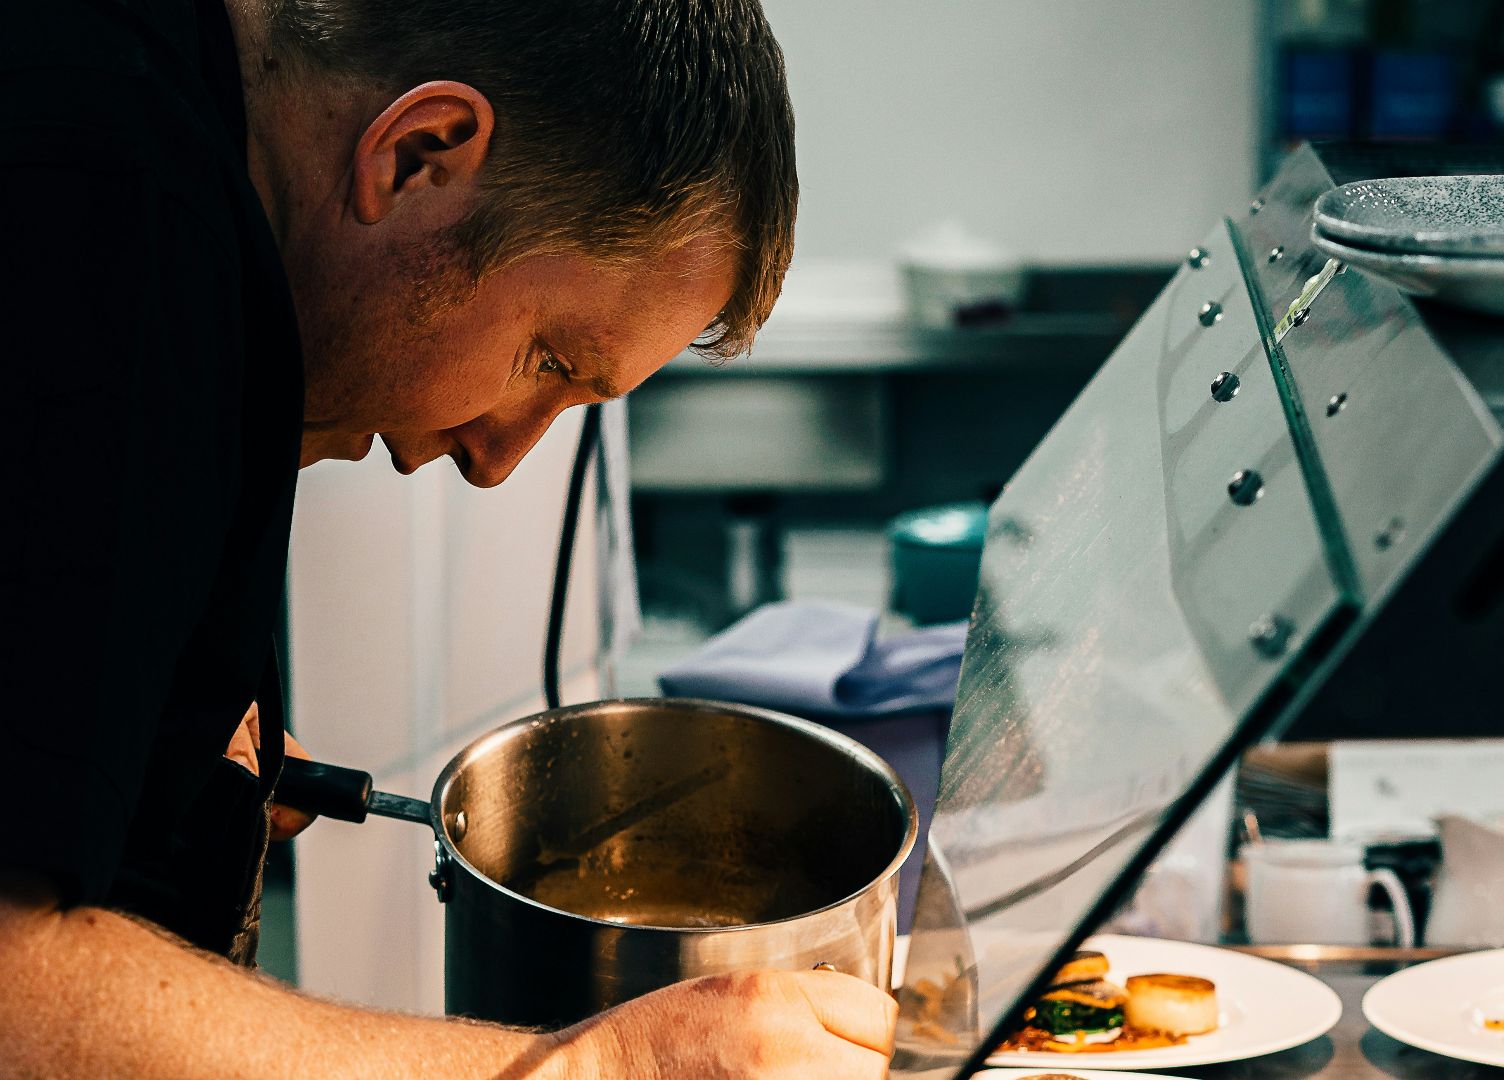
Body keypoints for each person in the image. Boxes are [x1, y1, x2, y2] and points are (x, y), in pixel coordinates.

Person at [0, 0, 898, 1076]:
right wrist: (596, 1069)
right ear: (420, 155)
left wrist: (149, 741)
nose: (497, 460)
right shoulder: (108, 214)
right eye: (551, 361)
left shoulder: (152, 132)